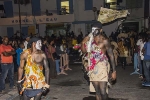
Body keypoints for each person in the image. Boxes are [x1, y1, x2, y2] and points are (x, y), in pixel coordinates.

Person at [81, 22, 116, 100]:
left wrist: (114, 71)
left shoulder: (105, 40)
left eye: (96, 29)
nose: (94, 31)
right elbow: (84, 52)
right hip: (92, 67)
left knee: (103, 91)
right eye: (93, 29)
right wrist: (83, 42)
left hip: (102, 66)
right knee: (97, 91)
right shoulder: (89, 40)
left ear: (100, 30)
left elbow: (111, 55)